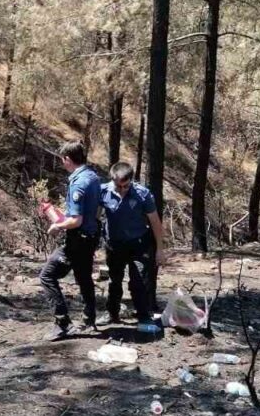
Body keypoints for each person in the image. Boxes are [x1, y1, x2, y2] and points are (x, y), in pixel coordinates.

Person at [38, 141, 102, 340]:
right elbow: (94, 210)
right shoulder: (93, 177)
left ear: (67, 159)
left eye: (62, 160)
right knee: (83, 278)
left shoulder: (78, 182)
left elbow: (76, 220)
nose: (62, 163)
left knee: (47, 276)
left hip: (77, 241)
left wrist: (57, 225)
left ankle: (63, 323)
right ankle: (89, 320)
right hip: (90, 237)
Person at [98, 161, 166, 329]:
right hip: (114, 245)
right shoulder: (103, 192)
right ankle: (112, 313)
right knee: (115, 280)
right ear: (112, 180)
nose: (122, 190)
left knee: (139, 281)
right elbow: (95, 216)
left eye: (126, 186)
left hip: (139, 244)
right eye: (118, 186)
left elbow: (156, 223)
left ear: (132, 180)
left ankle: (144, 315)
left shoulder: (143, 194)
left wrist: (160, 249)